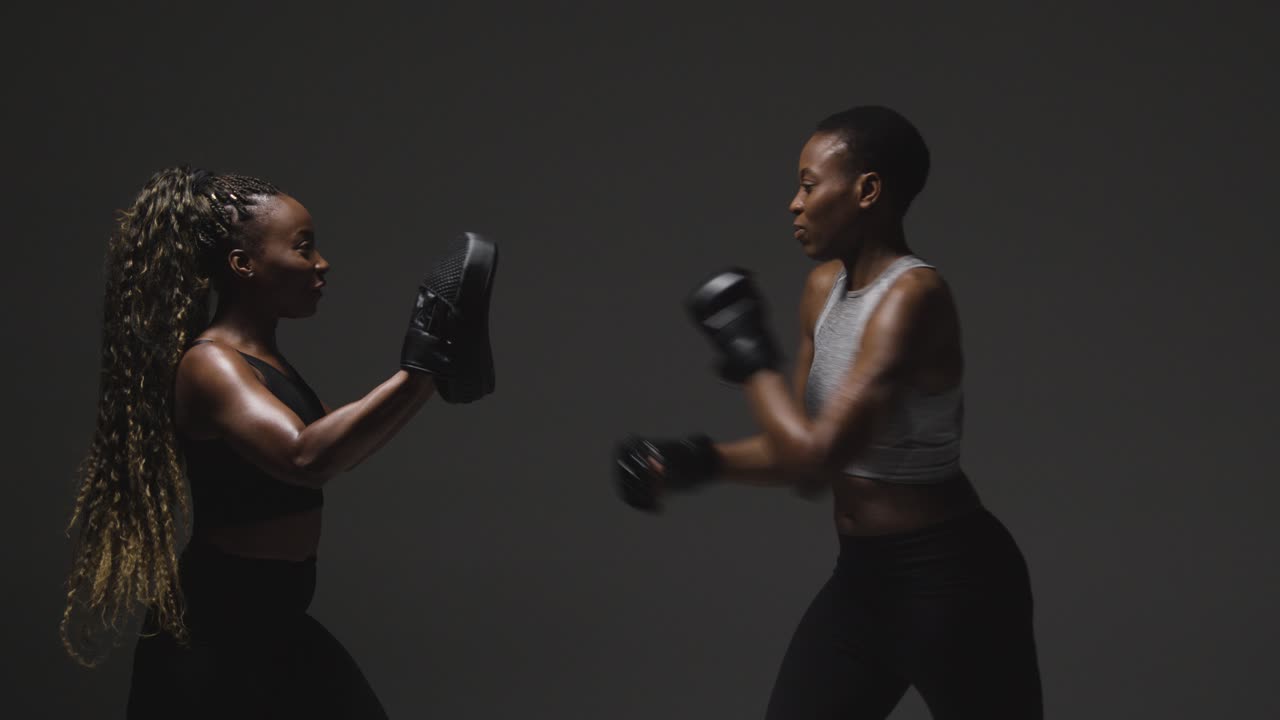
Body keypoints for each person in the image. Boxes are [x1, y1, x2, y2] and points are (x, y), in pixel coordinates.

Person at [615, 106, 1043, 718]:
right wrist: (691, 460)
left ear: (867, 190)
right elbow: (800, 448)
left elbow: (816, 464)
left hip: (953, 582)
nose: (794, 203)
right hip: (865, 582)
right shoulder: (822, 291)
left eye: (810, 185)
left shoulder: (914, 297)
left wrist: (748, 355)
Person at [59, 166, 498, 718]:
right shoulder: (210, 364)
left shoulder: (263, 362)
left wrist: (430, 373)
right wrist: (423, 364)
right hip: (214, 634)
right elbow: (305, 456)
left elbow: (341, 448)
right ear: (244, 265)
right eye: (303, 247)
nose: (321, 263)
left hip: (276, 623)